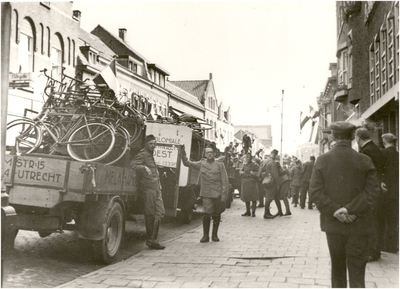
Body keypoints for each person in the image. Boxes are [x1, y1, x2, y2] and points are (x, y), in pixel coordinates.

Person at [309, 121, 380, 288]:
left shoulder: (322, 160)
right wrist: (349, 209)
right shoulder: (364, 160)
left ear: (333, 137)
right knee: (357, 272)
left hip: (333, 224)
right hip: (359, 223)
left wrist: (336, 210)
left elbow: (315, 193)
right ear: (352, 137)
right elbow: (372, 192)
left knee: (337, 269)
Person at [181, 144, 228, 243]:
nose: (210, 154)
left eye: (211, 152)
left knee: (217, 213)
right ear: (205, 154)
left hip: (218, 193)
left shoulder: (220, 164)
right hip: (206, 193)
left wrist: (224, 195)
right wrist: (183, 153)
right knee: (207, 213)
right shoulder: (201, 164)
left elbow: (225, 180)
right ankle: (205, 236)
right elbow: (187, 163)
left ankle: (214, 235)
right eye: (207, 152)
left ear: (214, 154)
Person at [129, 134, 166, 250]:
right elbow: (132, 165)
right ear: (146, 144)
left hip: (156, 188)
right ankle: (152, 240)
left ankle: (152, 239)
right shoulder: (144, 154)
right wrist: (143, 168)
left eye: (154, 144)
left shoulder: (150, 155)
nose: (153, 146)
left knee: (160, 212)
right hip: (149, 188)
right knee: (150, 214)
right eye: (151, 144)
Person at [355, 127, 385, 262]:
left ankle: (371, 252)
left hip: (369, 191)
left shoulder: (366, 151)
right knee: (375, 221)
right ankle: (375, 251)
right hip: (376, 190)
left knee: (369, 221)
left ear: (358, 138)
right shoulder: (375, 148)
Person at [380, 133, 399, 253]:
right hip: (396, 191)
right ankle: (392, 245)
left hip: (385, 191)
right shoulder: (398, 155)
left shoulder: (382, 154)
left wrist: (381, 181)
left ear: (384, 141)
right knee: (394, 219)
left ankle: (384, 244)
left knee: (383, 218)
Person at [257, 149, 284, 219]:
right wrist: (278, 184)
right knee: (269, 198)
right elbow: (275, 175)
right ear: (275, 155)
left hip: (266, 181)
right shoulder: (272, 163)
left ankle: (280, 211)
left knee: (276, 197)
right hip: (271, 183)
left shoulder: (265, 161)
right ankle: (266, 214)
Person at [239, 153, 260, 217]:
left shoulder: (255, 165)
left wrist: (253, 173)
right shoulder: (244, 164)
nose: (248, 158)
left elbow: (259, 173)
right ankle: (248, 211)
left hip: (252, 183)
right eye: (247, 157)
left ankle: (253, 212)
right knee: (246, 198)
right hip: (245, 183)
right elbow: (241, 171)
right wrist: (241, 172)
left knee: (253, 198)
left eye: (249, 157)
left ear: (251, 158)